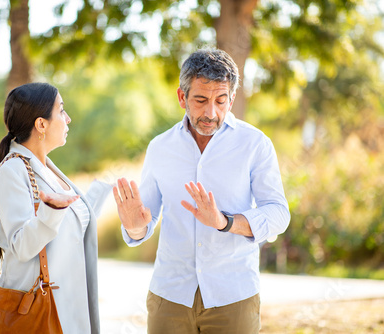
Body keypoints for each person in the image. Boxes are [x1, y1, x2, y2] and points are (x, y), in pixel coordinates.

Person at [113, 48, 290, 333]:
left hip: (233, 296)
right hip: (169, 296)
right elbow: (144, 221)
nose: (211, 112)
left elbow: (279, 213)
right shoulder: (160, 147)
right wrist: (134, 228)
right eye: (200, 100)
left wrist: (225, 222)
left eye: (221, 100)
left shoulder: (255, 144)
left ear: (232, 99)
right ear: (182, 97)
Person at [0, 82, 110, 334]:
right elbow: (22, 244)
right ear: (41, 124)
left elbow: (66, 229)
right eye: (61, 110)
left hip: (68, 307)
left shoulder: (47, 168)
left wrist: (102, 191)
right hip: (36, 312)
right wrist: (51, 211)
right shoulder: (12, 171)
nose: (68, 118)